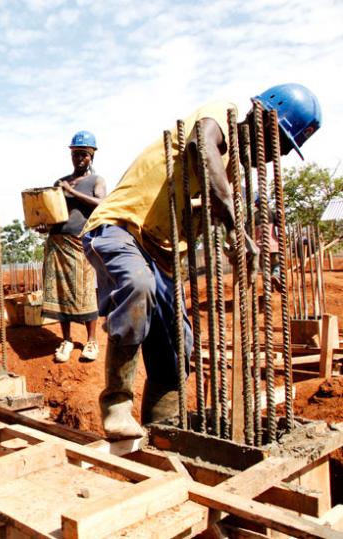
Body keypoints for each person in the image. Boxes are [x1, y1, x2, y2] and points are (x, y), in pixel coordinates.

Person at [82, 83, 321, 439]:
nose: (275, 157)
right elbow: (199, 146)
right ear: (261, 116)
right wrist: (235, 226)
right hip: (120, 227)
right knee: (137, 285)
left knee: (180, 346)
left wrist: (236, 246)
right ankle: (116, 403)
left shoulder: (231, 175)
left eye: (283, 151)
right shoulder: (222, 114)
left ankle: (160, 430)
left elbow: (215, 209)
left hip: (160, 252)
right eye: (279, 143)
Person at [38, 131, 106, 363]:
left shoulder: (96, 181)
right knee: (60, 293)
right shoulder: (60, 182)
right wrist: (44, 226)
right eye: (76, 154)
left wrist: (73, 193)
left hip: (80, 243)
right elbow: (54, 212)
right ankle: (66, 339)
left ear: (92, 156)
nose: (79, 158)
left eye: (84, 155)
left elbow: (102, 204)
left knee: (86, 291)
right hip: (57, 243)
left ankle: (91, 340)